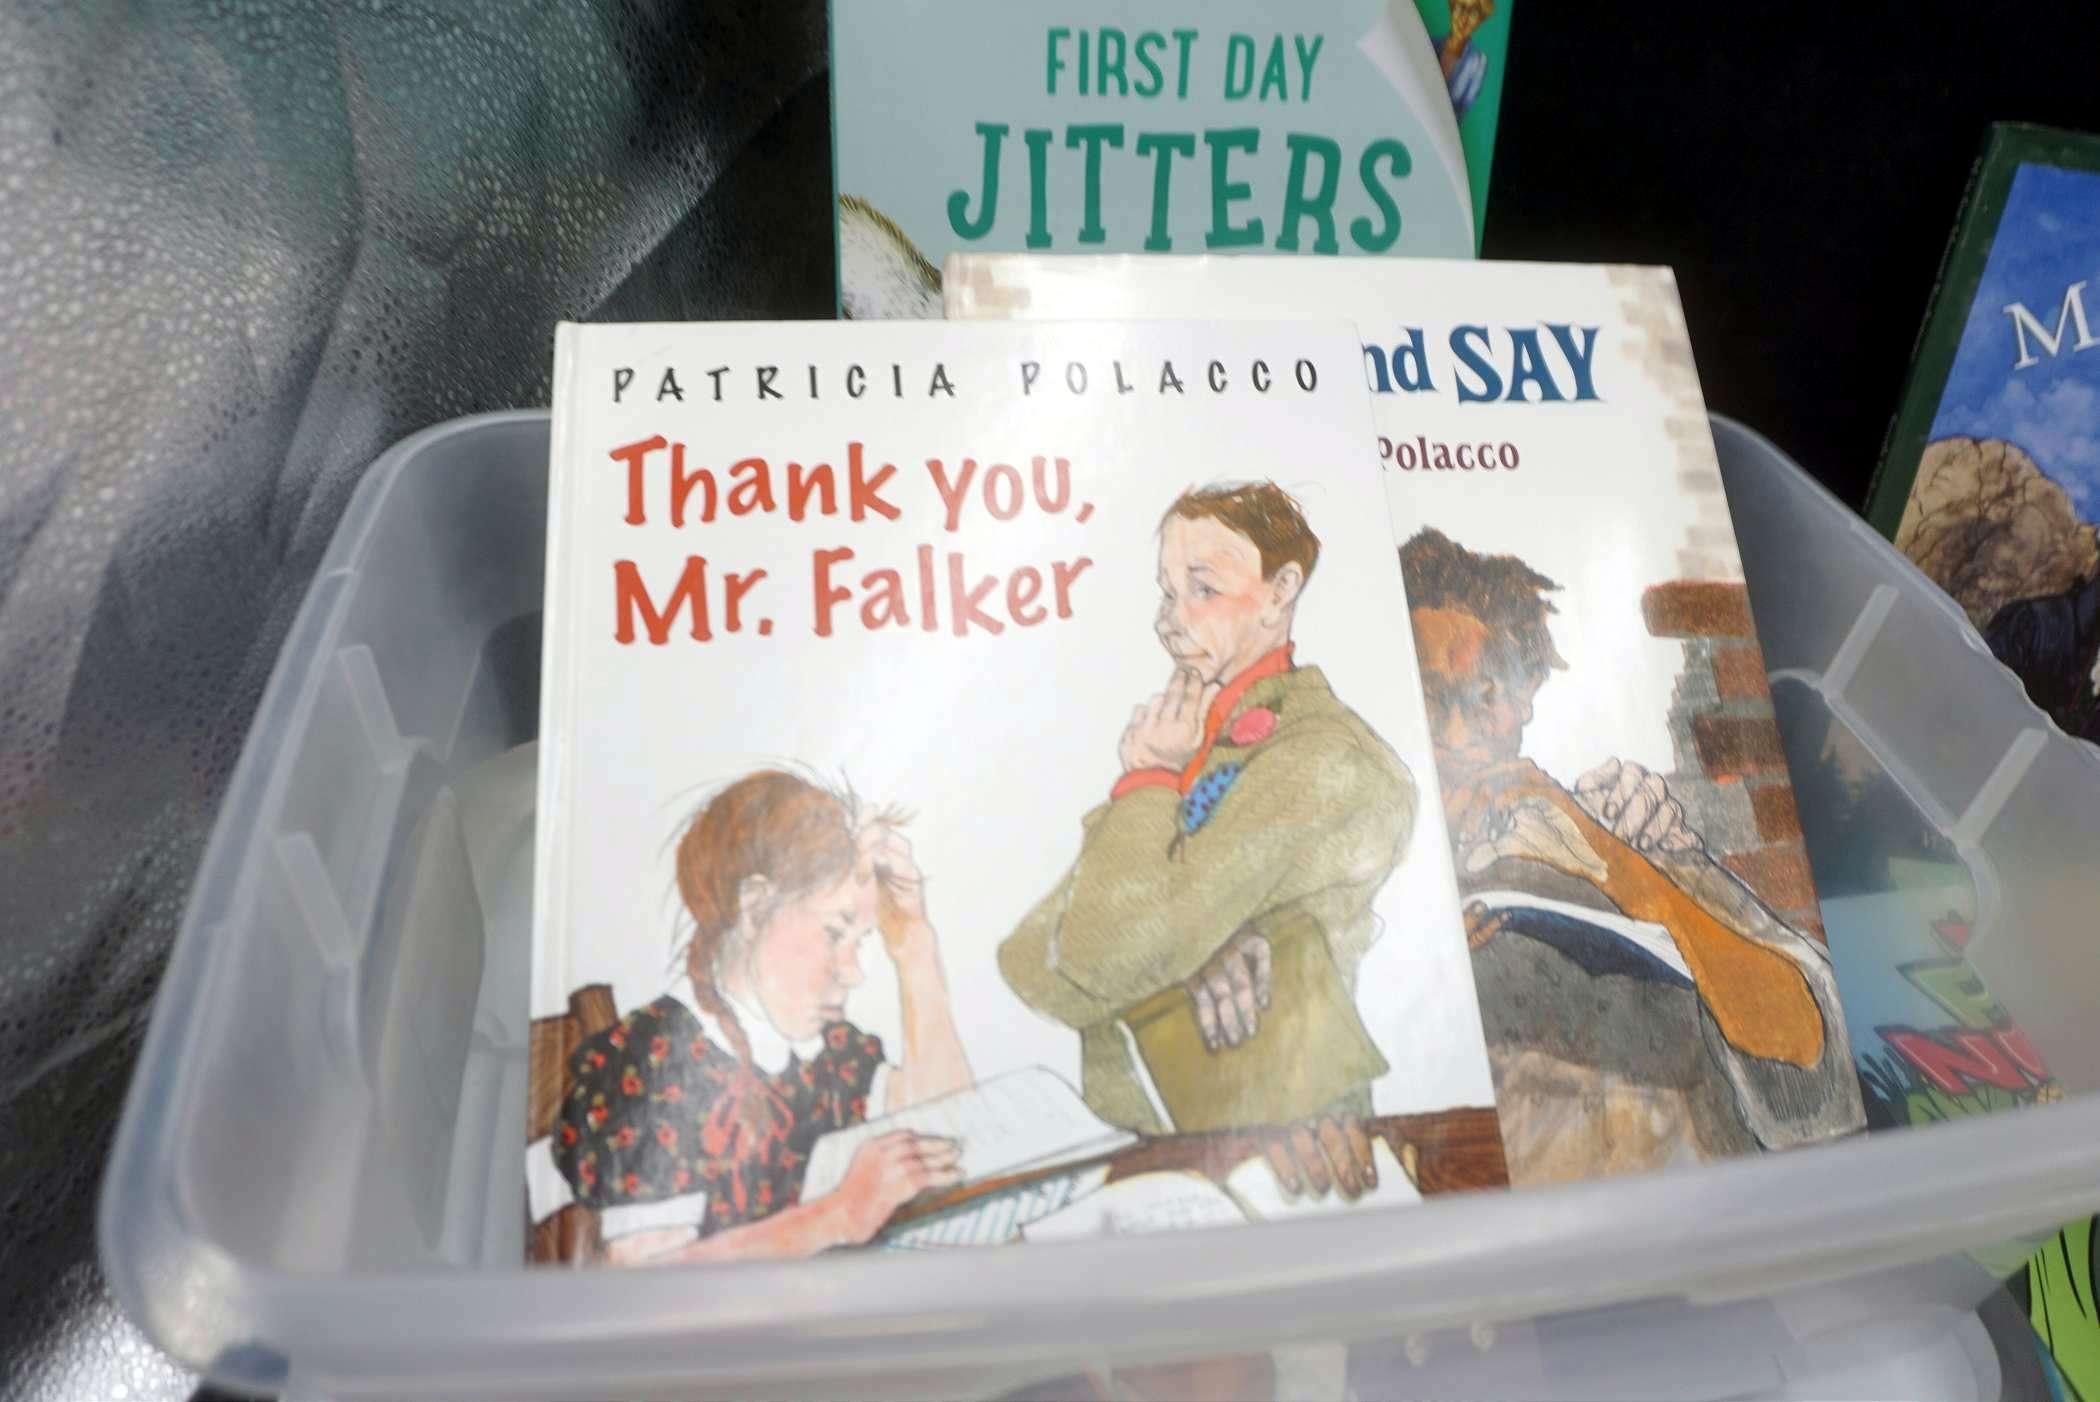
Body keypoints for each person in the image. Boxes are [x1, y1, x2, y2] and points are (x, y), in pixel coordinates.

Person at [1398, 527, 1858, 1180]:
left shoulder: (1612, 826)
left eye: (1480, 696)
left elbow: (1811, 1057)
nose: (1448, 732)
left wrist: (1623, 869)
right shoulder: (1364, 858)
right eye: (1430, 694)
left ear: (1523, 698)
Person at [1000, 482, 1414, 1197]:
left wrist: (1150, 779)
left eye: (1204, 589)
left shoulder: (1324, 757)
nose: (1171, 623)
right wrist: (1194, 949)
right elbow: (1034, 960)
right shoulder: (1195, 743)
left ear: (1281, 590)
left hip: (1286, 1162)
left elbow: (1102, 950)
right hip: (1146, 1162)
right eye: (1167, 594)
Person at [551, 771, 974, 1263]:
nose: (853, 972)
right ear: (754, 907)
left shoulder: (834, 1055)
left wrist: (913, 945)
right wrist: (838, 1216)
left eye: (861, 941)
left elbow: (957, 1130)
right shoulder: (645, 1068)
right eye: (835, 934)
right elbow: (645, 1286)